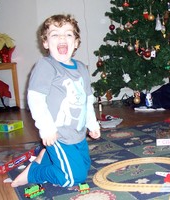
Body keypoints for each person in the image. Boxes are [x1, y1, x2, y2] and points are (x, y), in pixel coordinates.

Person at [11, 14, 101, 188]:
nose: (62, 37)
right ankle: (34, 172)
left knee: (84, 166)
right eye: (55, 34)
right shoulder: (46, 66)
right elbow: (35, 99)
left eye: (68, 34)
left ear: (75, 42)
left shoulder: (82, 68)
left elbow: (87, 100)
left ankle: (45, 157)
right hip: (58, 135)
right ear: (45, 43)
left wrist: (93, 124)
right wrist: (47, 129)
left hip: (77, 133)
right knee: (73, 178)